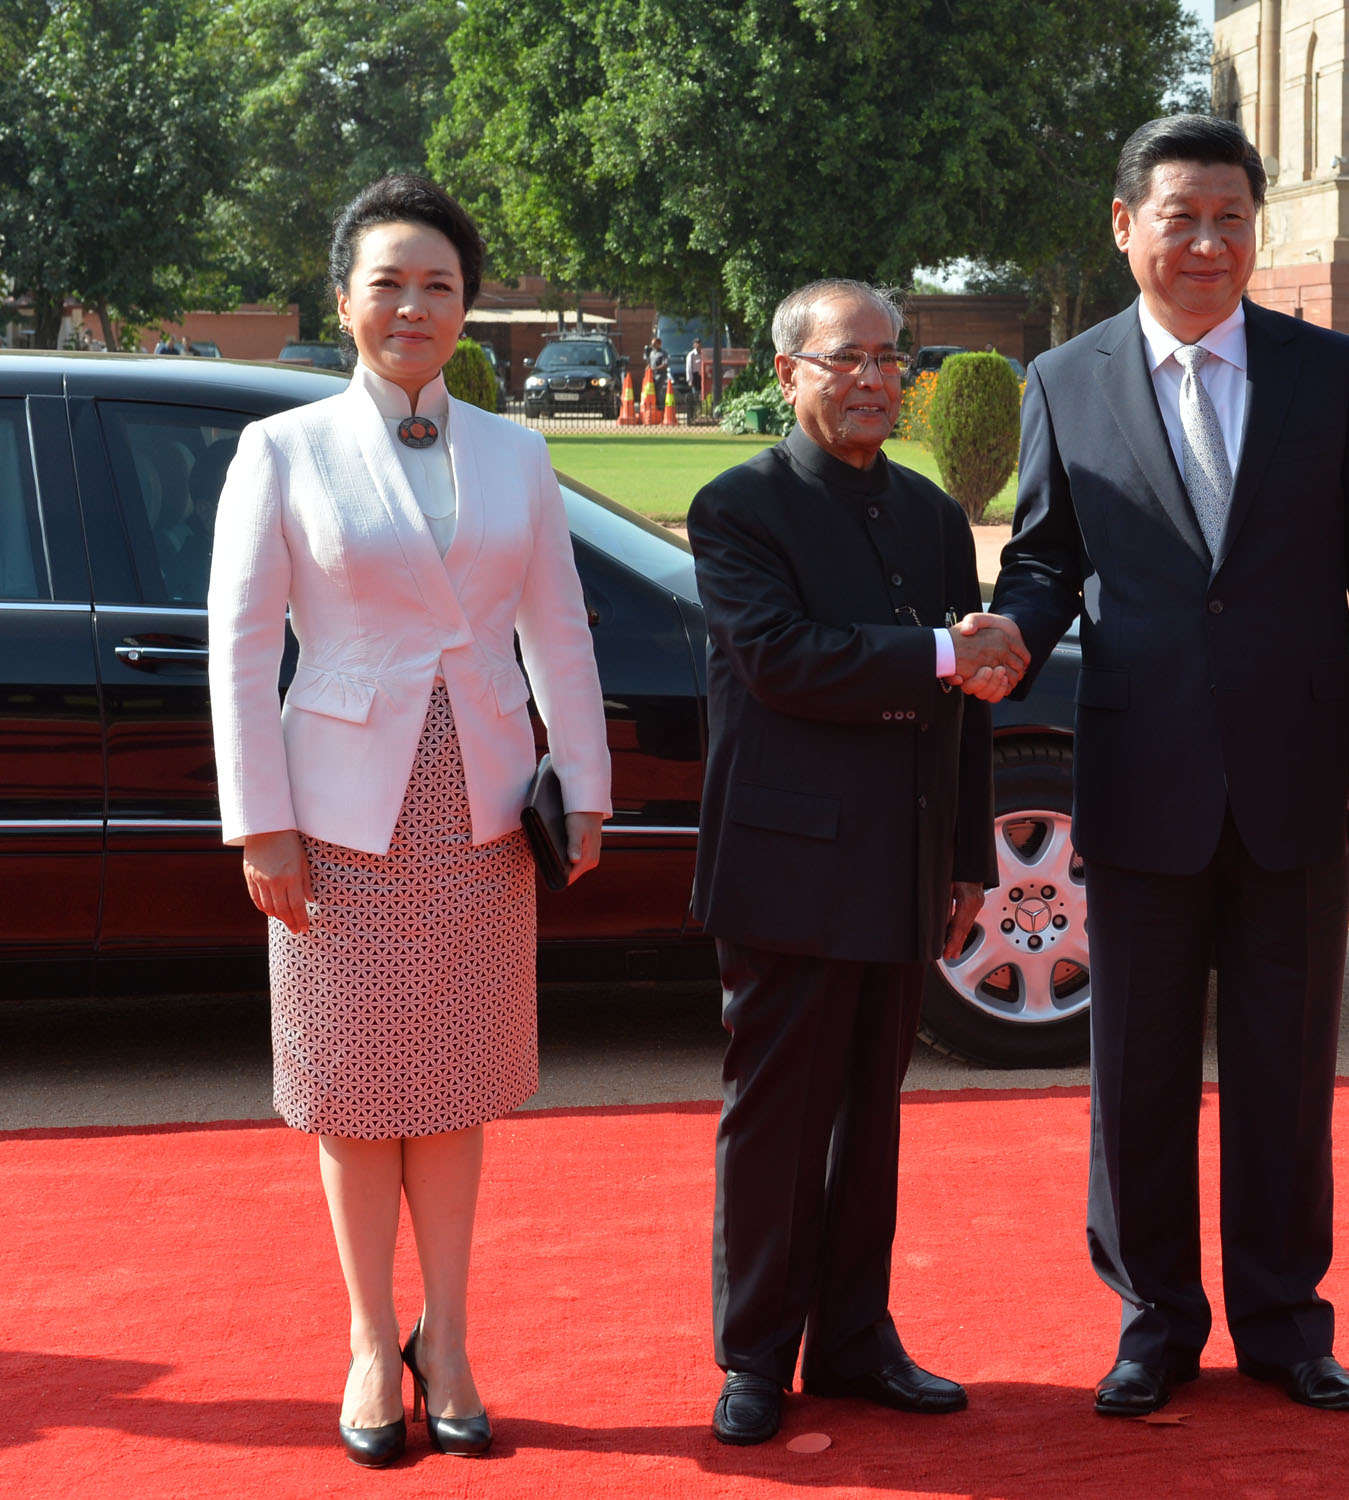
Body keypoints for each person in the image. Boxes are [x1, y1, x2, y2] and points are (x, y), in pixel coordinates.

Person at [986, 114, 1349, 1419]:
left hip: (1304, 780)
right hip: (1142, 776)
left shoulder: (1330, 375)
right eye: (1180, 215)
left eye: (1232, 216)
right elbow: (1048, 553)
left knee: (1287, 1068)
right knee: (1137, 1069)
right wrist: (1014, 625)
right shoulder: (1067, 381)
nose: (1207, 240)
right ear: (1124, 227)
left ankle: (1288, 1323)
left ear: (1258, 232)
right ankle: (1154, 1321)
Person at [207, 173, 611, 1468]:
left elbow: (558, 627)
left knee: (454, 1090)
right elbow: (236, 646)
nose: (414, 305)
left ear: (468, 307)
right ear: (345, 301)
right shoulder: (285, 447)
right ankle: (371, 1343)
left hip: (484, 806)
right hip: (335, 819)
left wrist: (587, 783)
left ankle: (458, 1335)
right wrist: (258, 823)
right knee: (353, 1094)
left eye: (439, 283)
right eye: (388, 281)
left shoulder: (520, 450)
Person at [687, 278, 1024, 1446]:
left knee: (868, 1114)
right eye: (849, 359)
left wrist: (968, 854)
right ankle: (754, 1358)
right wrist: (938, 649)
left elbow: (970, 703)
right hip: (784, 866)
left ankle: (853, 1340)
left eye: (893, 356)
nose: (877, 378)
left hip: (902, 861)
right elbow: (785, 661)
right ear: (788, 374)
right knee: (778, 1116)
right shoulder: (738, 507)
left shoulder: (932, 518)